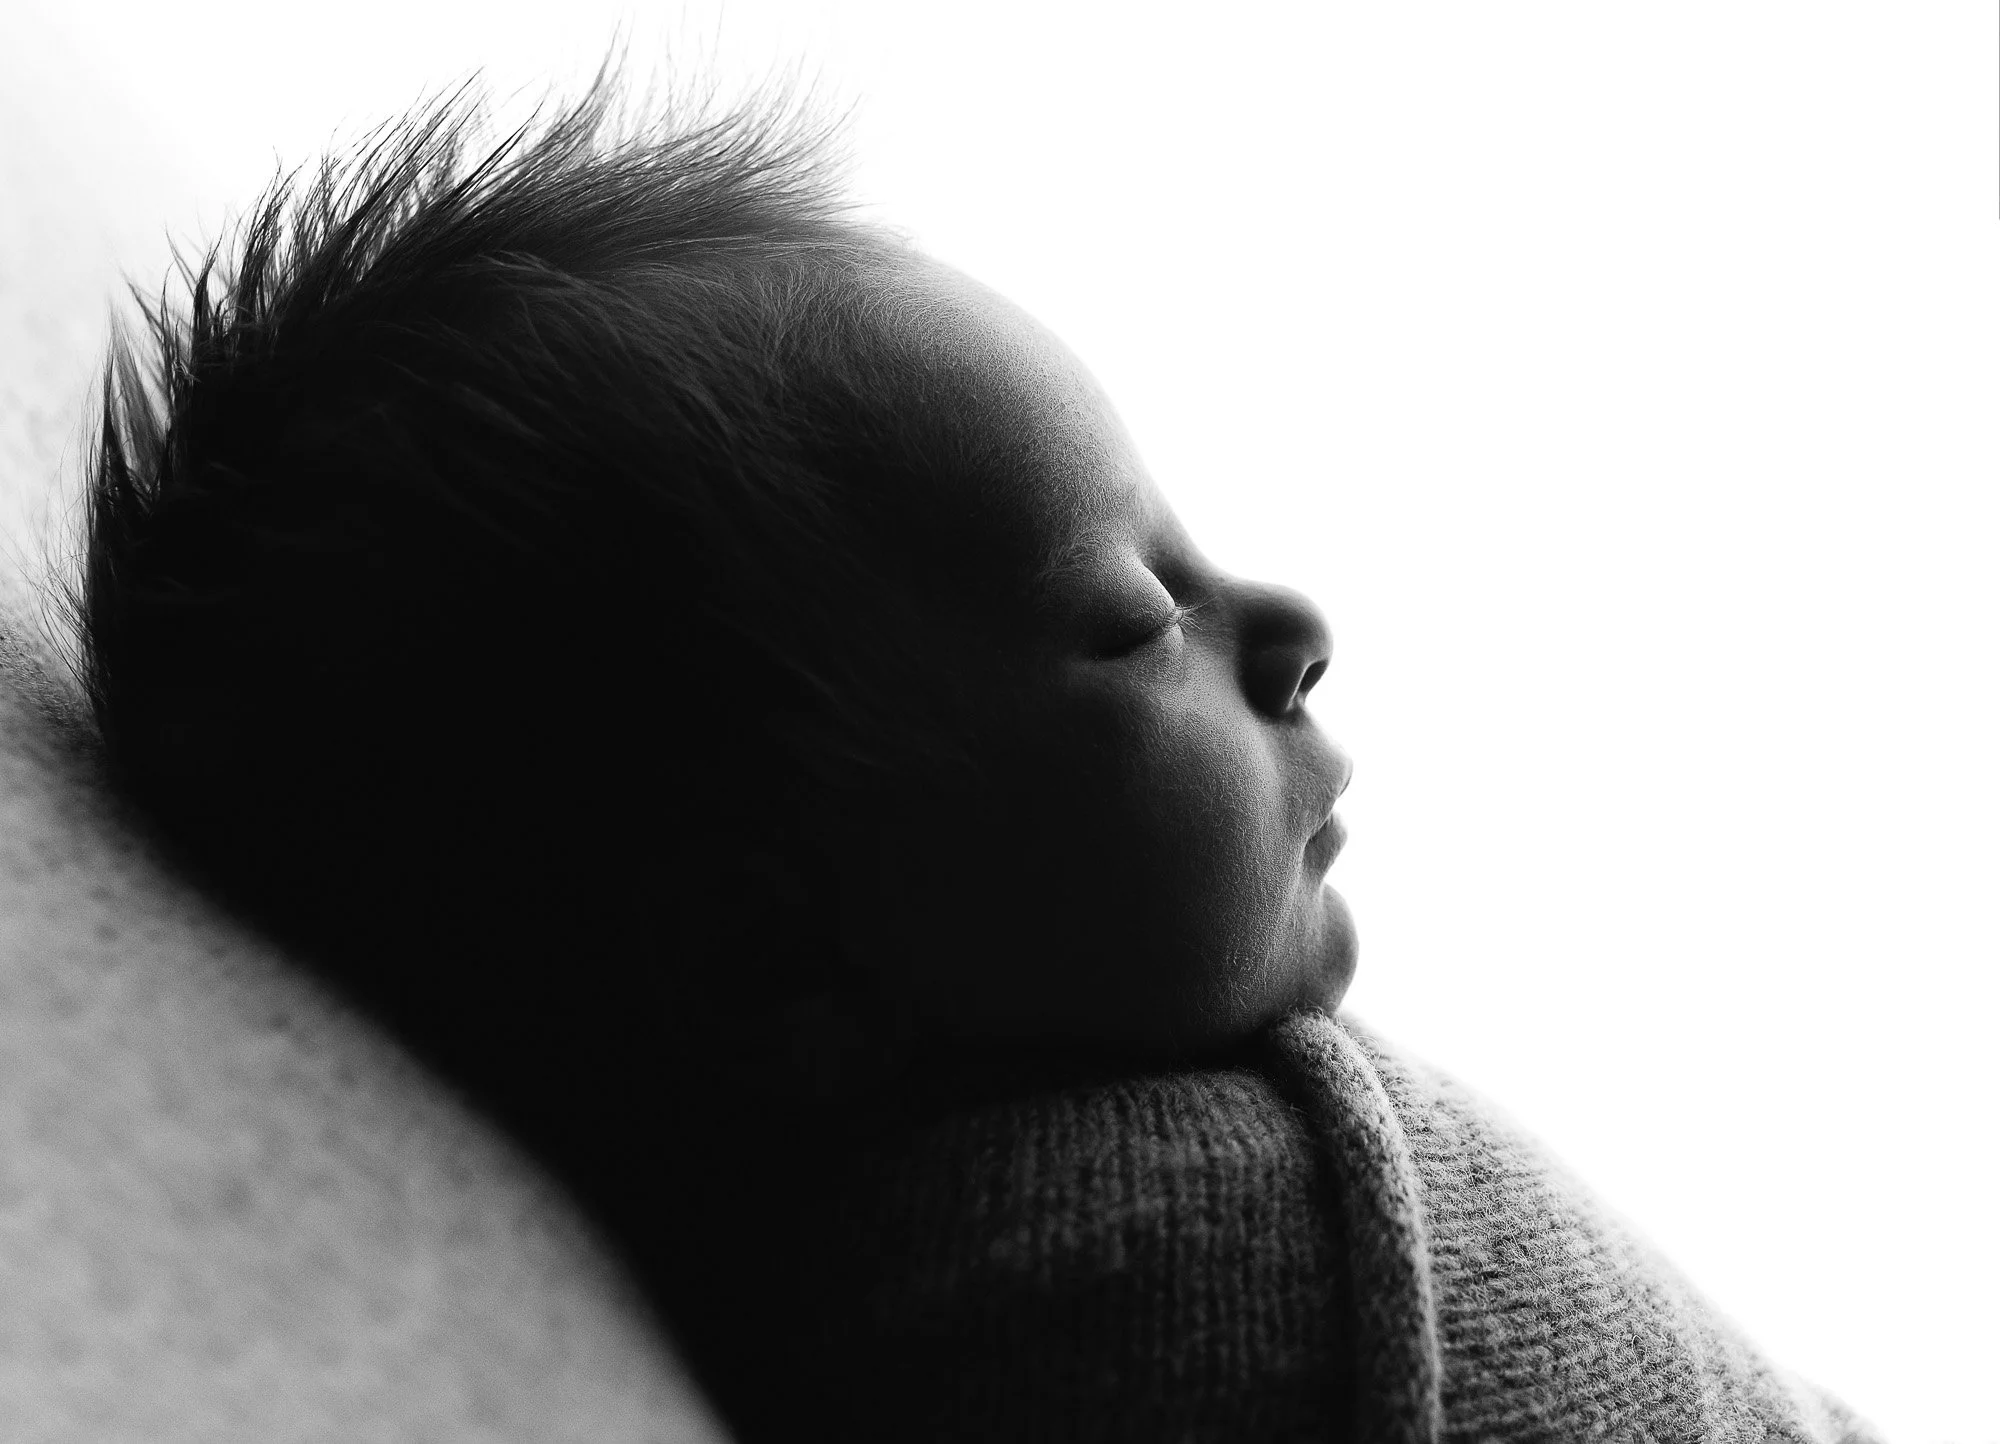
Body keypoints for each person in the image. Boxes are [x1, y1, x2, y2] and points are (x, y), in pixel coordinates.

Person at [59, 72, 1884, 1442]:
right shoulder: (1117, 1303)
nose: (1291, 621)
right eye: (1137, 619)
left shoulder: (1100, 1106)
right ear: (767, 961)